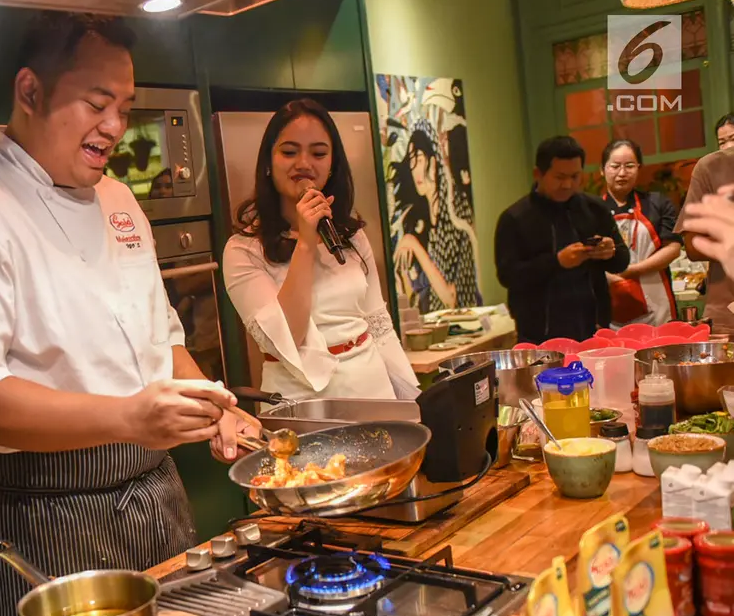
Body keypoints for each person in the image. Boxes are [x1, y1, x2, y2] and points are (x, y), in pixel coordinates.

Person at [0, 12, 258, 616]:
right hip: (40, 516)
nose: (114, 127)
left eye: (124, 107)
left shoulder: (119, 199)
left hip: (154, 495)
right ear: (30, 92)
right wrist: (128, 419)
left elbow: (160, 336)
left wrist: (213, 403)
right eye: (96, 104)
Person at [222, 99, 420, 402]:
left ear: (332, 165)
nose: (304, 163)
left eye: (318, 153)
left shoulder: (351, 235)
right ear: (267, 162)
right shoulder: (243, 250)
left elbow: (379, 326)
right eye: (289, 152)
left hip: (373, 390)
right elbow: (287, 338)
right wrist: (305, 241)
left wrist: (412, 399)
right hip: (302, 403)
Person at [494, 136, 630, 343]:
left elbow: (622, 260)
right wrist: (557, 262)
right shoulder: (515, 218)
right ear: (538, 174)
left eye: (575, 176)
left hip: (594, 328)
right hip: (539, 335)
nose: (567, 184)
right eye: (559, 177)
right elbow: (508, 276)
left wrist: (610, 252)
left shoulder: (594, 209)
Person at [389, 122, 481, 312]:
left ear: (434, 160)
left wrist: (413, 243)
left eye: (420, 159)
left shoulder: (458, 215)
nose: (416, 171)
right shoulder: (414, 221)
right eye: (412, 161)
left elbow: (451, 298)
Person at [598, 139, 681, 326]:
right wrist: (612, 276)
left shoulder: (658, 203)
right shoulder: (592, 210)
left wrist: (631, 271)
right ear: (602, 170)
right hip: (611, 306)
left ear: (638, 168)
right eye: (615, 166)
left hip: (658, 305)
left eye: (629, 166)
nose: (622, 173)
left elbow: (673, 248)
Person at [679, 115, 734, 335]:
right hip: (727, 311)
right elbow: (692, 246)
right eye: (723, 142)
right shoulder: (709, 169)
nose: (729, 147)